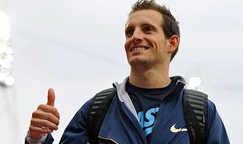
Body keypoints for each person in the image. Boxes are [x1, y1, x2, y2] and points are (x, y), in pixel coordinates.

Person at [25, 0, 230, 143]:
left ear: (172, 43)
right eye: (129, 31)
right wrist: (36, 138)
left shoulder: (200, 112)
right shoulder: (97, 109)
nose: (135, 36)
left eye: (147, 29)